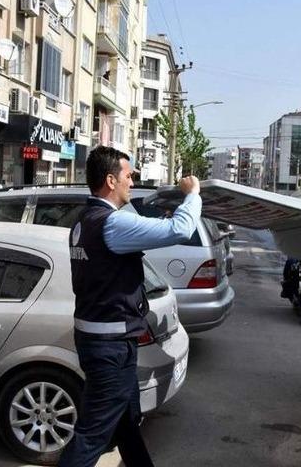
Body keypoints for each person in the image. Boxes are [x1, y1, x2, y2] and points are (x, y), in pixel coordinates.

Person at [59, 146, 202, 467]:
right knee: (92, 434)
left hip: (106, 341)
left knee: (126, 420)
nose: (133, 180)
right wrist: (192, 194)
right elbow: (181, 229)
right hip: (109, 346)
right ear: (111, 180)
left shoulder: (86, 219)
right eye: (129, 175)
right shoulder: (110, 224)